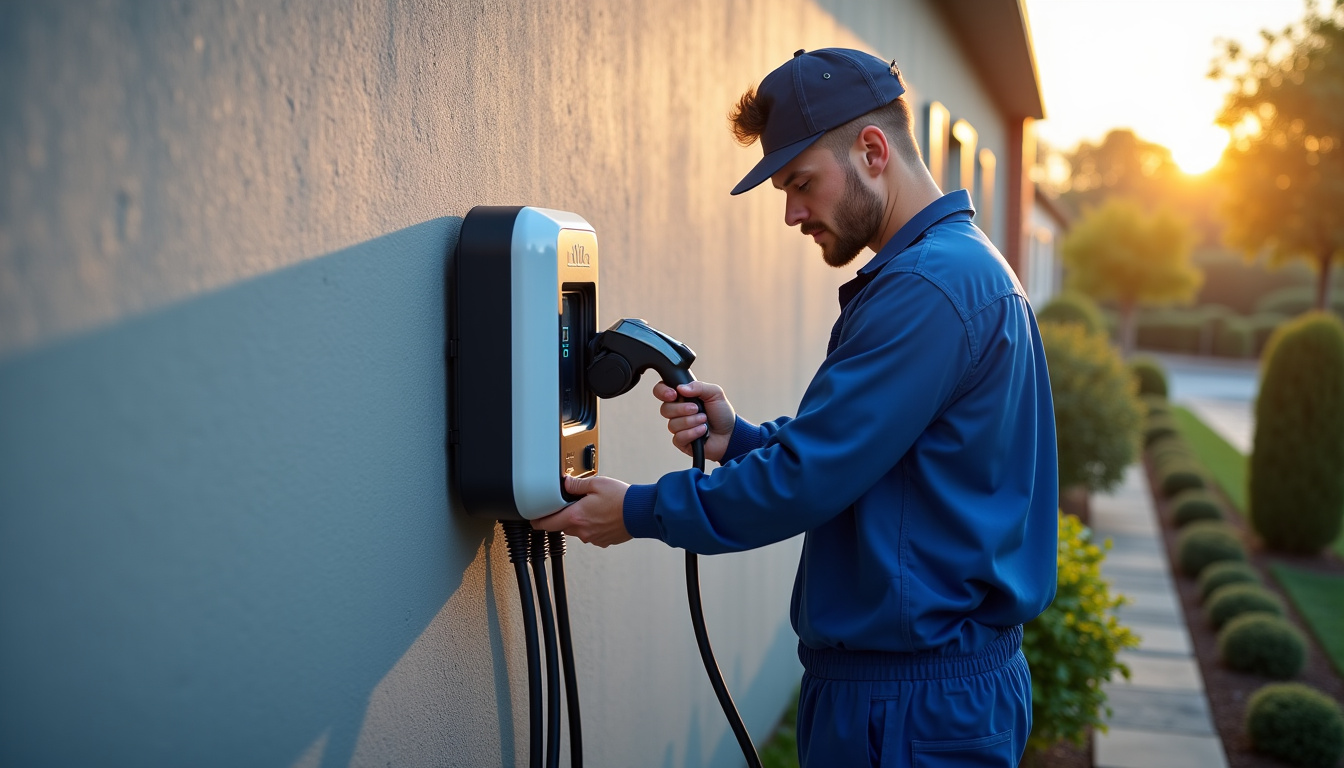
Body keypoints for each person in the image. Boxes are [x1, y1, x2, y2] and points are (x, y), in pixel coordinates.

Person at [532, 47, 1058, 767]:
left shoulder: (929, 290)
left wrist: (636, 512)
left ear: (873, 150)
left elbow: (811, 476)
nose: (791, 213)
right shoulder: (960, 271)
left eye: (802, 183)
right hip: (917, 694)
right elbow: (881, 460)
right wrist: (740, 440)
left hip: (908, 709)